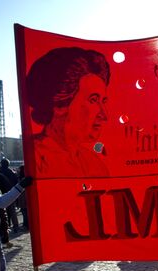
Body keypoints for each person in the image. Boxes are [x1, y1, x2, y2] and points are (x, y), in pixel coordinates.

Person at [26, 47, 110, 177]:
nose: (104, 115)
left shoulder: (94, 164)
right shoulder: (34, 159)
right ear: (59, 105)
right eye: (93, 100)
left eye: (103, 101)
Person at [0, 158, 21, 232]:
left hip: (1, 193)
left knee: (4, 212)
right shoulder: (11, 172)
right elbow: (16, 182)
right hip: (12, 192)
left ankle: (7, 226)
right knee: (12, 211)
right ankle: (16, 227)